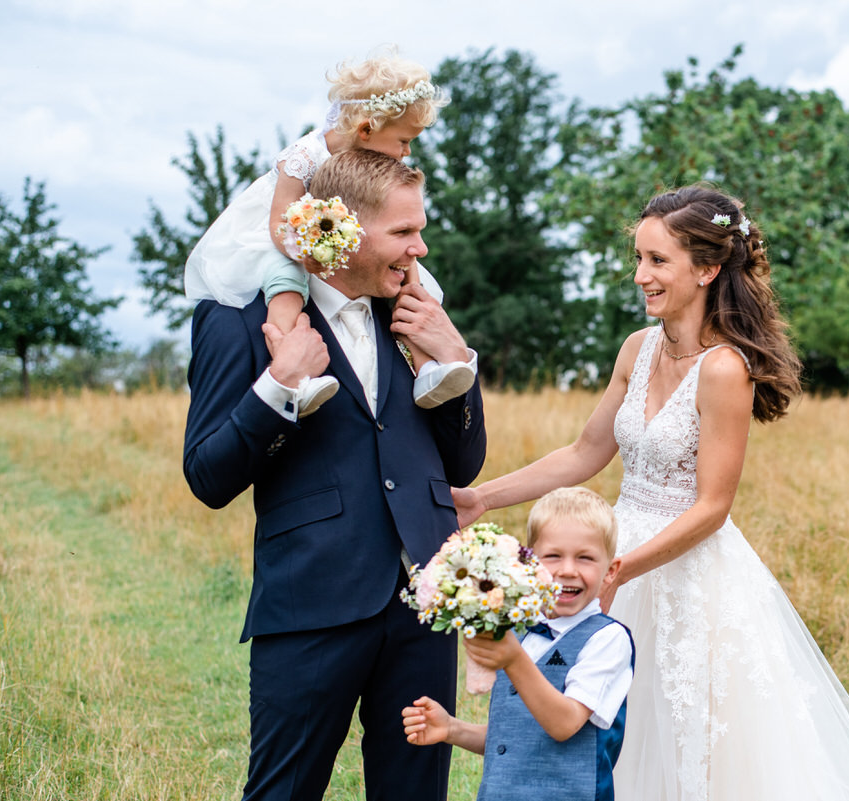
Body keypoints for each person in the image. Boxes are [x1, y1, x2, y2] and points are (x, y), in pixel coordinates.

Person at [453, 185, 849, 800]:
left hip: (686, 574)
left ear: (708, 268)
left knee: (688, 741)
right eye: (639, 258)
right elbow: (587, 452)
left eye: (657, 261)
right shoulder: (637, 350)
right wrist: (482, 498)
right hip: (615, 549)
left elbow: (714, 507)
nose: (641, 275)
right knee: (607, 727)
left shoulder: (725, 369)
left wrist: (621, 569)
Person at [183, 148, 487, 801]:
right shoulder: (236, 322)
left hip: (423, 606)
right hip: (310, 606)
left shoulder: (413, 316)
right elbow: (207, 476)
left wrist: (455, 360)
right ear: (340, 229)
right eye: (404, 233)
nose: (421, 249)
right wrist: (276, 388)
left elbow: (463, 464)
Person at [184, 50, 476, 414]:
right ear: (367, 129)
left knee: (414, 282)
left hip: (332, 233)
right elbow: (279, 222)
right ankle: (294, 373)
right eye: (403, 141)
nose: (407, 151)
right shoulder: (305, 155)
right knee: (287, 289)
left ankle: (429, 367)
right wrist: (307, 253)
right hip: (285, 240)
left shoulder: (369, 158)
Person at [402, 486, 634, 801]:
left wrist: (513, 660)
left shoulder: (607, 640)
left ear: (611, 571)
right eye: (553, 556)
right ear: (529, 564)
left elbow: (564, 724)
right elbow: (516, 739)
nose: (567, 570)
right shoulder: (521, 632)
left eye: (585, 558)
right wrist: (452, 729)